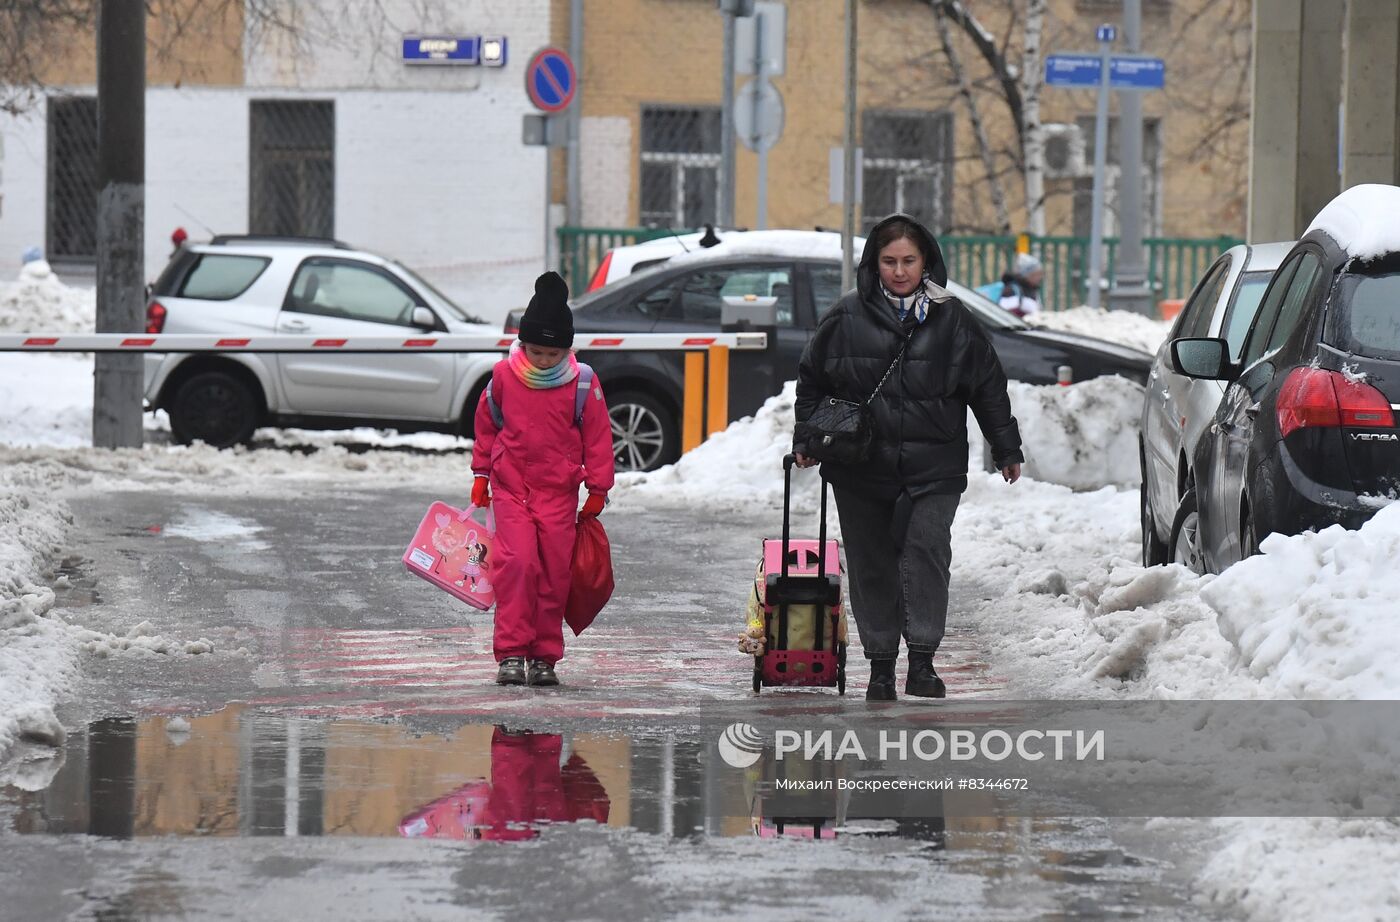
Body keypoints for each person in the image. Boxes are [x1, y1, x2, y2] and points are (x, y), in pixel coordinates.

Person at [793, 214, 1024, 701]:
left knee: (926, 552)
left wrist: (1005, 447)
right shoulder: (845, 317)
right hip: (861, 466)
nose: (899, 271)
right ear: (873, 264)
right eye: (889, 261)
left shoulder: (953, 319)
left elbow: (987, 386)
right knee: (871, 561)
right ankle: (880, 667)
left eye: (909, 261)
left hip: (934, 465)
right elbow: (812, 381)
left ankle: (922, 661)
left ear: (927, 263)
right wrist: (807, 438)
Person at [470, 271, 615, 687]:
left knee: (554, 574)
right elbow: (487, 426)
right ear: (523, 344)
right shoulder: (502, 377)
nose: (544, 360)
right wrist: (481, 474)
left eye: (552, 354)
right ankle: (512, 653)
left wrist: (599, 487)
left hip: (558, 493)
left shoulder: (583, 382)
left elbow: (598, 435)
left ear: (566, 350)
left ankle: (544, 657)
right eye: (535, 351)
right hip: (511, 489)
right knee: (517, 565)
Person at [977, 252, 1044, 318]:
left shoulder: (1032, 290)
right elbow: (1003, 313)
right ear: (1027, 275)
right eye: (1036, 274)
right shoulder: (1010, 291)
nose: (1040, 277)